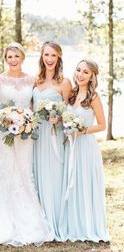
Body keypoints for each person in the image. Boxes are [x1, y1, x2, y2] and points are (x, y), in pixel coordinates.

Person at [0, 42, 54, 247]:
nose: (13, 60)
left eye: (16, 56)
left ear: (22, 57)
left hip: (26, 134)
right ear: (5, 58)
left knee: (23, 171)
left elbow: (32, 107)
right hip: (3, 134)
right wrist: (5, 119)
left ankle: (28, 221)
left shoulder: (32, 80)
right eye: (9, 57)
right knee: (3, 171)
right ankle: (1, 223)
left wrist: (25, 121)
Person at [59, 59, 109, 242]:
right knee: (72, 183)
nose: (80, 74)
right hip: (70, 146)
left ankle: (89, 225)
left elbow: (102, 125)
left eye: (85, 72)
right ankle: (74, 224)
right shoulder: (70, 95)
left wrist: (82, 131)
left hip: (86, 146)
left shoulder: (93, 98)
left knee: (85, 183)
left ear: (92, 76)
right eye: (78, 70)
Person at [33, 41, 72, 240]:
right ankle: (40, 222)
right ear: (42, 57)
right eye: (46, 55)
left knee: (54, 175)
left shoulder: (64, 83)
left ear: (59, 58)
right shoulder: (35, 81)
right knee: (37, 174)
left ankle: (56, 219)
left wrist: (60, 118)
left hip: (54, 136)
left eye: (53, 56)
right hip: (36, 136)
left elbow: (70, 111)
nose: (49, 59)